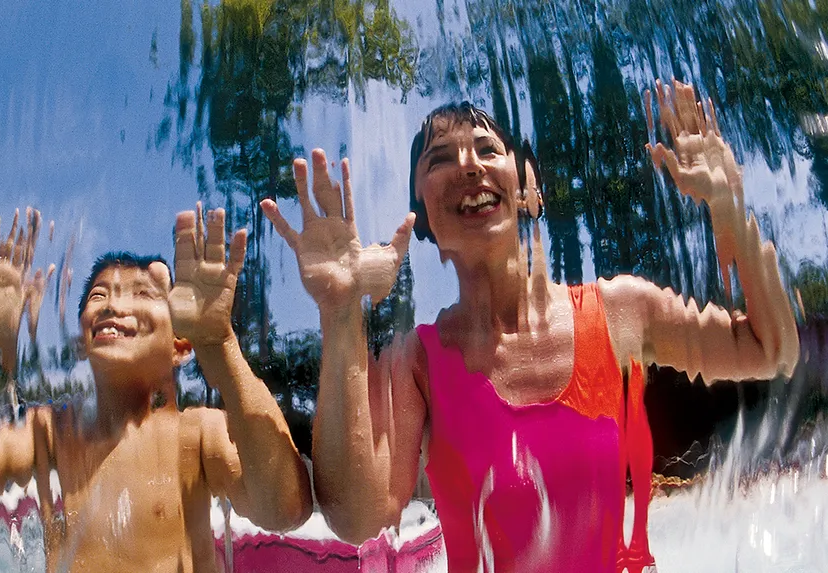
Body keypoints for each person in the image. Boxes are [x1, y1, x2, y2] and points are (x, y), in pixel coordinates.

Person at [260, 79, 799, 572]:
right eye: (440, 159)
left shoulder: (621, 311)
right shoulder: (417, 362)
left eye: (488, 149)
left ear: (528, 186)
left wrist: (728, 205)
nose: (469, 166)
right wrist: (340, 310)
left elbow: (769, 349)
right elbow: (357, 518)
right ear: (421, 215)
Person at [0, 205, 312, 572]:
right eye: (98, 295)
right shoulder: (51, 432)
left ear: (181, 345)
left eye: (141, 293)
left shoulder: (196, 435)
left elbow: (284, 508)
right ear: (84, 341)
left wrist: (221, 344)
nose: (112, 306)